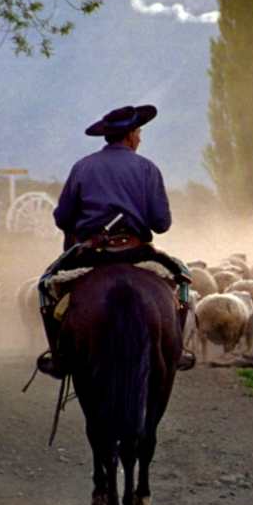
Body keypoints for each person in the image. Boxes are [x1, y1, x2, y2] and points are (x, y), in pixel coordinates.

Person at [36, 104, 194, 377]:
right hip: (136, 252)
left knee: (44, 287)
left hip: (91, 253)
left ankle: (59, 357)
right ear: (131, 135)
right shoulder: (147, 168)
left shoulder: (82, 167)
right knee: (182, 279)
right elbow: (161, 224)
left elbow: (62, 218)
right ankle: (176, 352)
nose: (140, 137)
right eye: (140, 132)